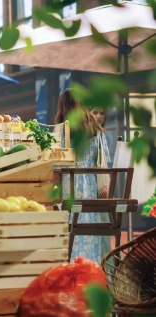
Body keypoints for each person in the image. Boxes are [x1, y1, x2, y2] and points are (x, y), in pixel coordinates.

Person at [55, 88, 111, 264]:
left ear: (62, 106)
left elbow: (54, 164)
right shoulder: (95, 129)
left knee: (70, 230)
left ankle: (72, 270)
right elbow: (103, 161)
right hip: (91, 187)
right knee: (91, 229)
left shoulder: (60, 131)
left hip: (67, 187)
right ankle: (93, 270)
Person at [90, 106, 110, 198]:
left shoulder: (101, 133)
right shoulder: (87, 133)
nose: (98, 116)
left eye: (102, 113)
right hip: (88, 178)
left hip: (98, 178)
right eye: (95, 112)